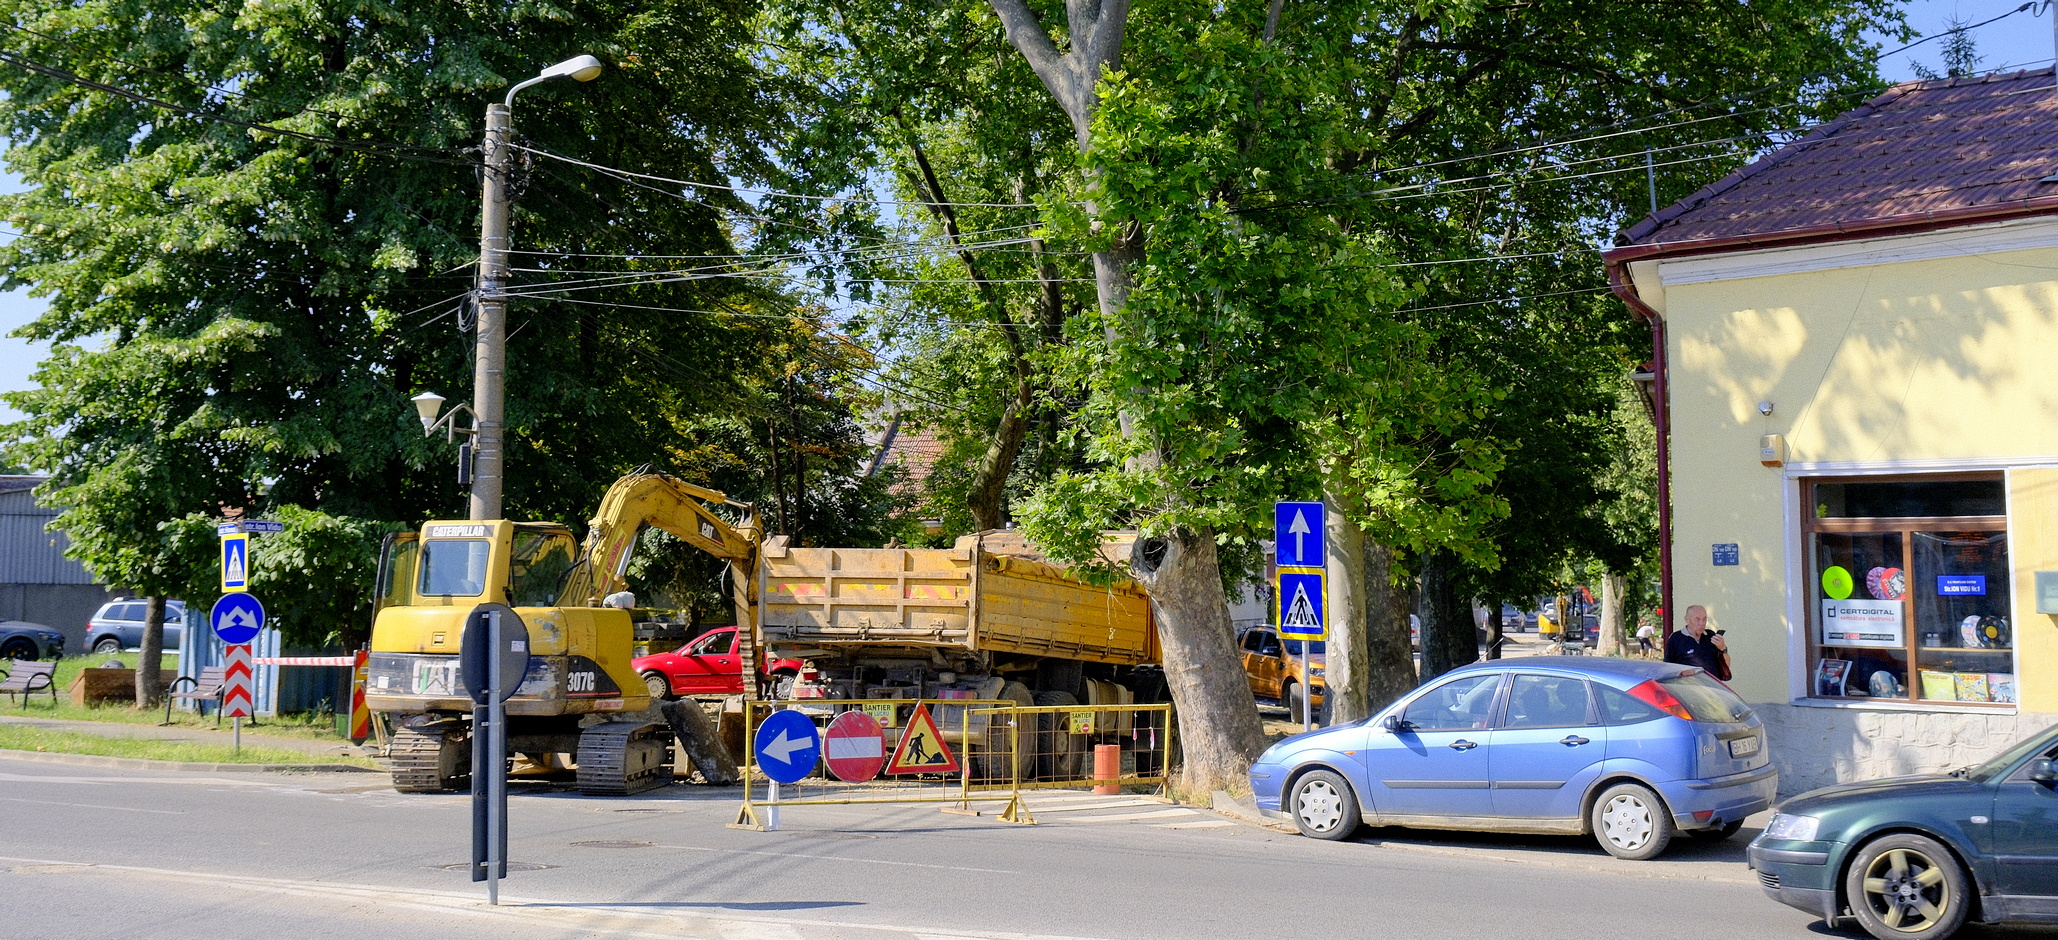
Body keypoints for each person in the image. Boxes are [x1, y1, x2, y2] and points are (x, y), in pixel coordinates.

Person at [1664, 604, 1730, 679]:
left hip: (1712, 686)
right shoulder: (1676, 638)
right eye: (1697, 619)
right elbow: (1667, 668)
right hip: (1689, 687)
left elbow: (1726, 666)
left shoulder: (1711, 635)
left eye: (1704, 619)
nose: (1702, 623)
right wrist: (1680, 673)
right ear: (1687, 620)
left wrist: (1723, 648)